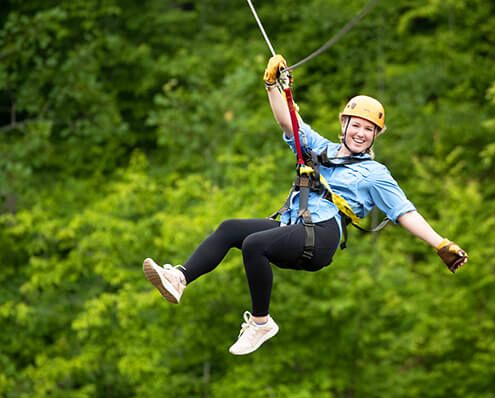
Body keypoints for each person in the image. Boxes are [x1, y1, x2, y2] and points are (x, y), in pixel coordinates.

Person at [143, 54, 468, 356]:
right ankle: (180, 278)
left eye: (368, 129)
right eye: (356, 124)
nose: (360, 132)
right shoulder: (321, 149)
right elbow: (289, 122)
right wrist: (273, 86)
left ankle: (261, 323)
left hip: (322, 234)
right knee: (231, 229)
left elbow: (404, 211)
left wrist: (439, 242)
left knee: (255, 245)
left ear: (374, 137)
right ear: (344, 124)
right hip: (294, 224)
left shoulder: (374, 174)